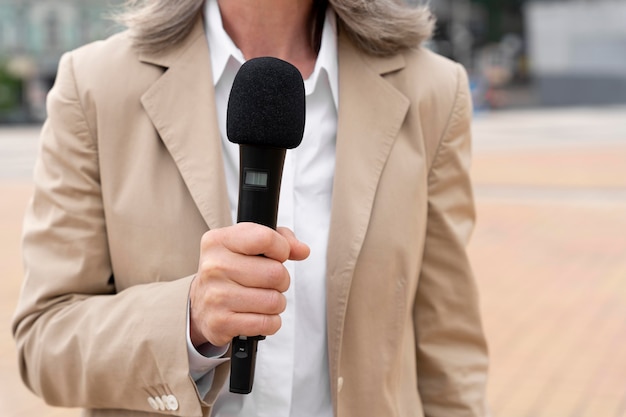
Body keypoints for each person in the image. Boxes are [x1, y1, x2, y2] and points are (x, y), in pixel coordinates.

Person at [12, 0, 490, 416]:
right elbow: (44, 344)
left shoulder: (433, 90)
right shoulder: (95, 85)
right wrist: (190, 321)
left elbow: (448, 345)